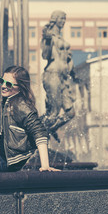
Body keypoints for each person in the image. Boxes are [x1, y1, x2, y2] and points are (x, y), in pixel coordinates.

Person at [0, 66, 60, 172]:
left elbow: (40, 132)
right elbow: (9, 133)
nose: (3, 86)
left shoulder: (20, 104)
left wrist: (45, 166)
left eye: (8, 84)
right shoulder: (10, 100)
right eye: (1, 81)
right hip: (1, 149)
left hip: (6, 159)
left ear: (20, 87)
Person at [41, 10, 76, 139]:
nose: (63, 21)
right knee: (53, 112)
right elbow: (45, 55)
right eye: (61, 18)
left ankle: (50, 128)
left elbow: (67, 60)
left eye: (64, 19)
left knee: (71, 113)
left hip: (63, 79)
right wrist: (47, 41)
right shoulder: (50, 37)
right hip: (52, 75)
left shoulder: (61, 38)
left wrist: (73, 73)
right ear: (54, 19)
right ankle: (37, 136)